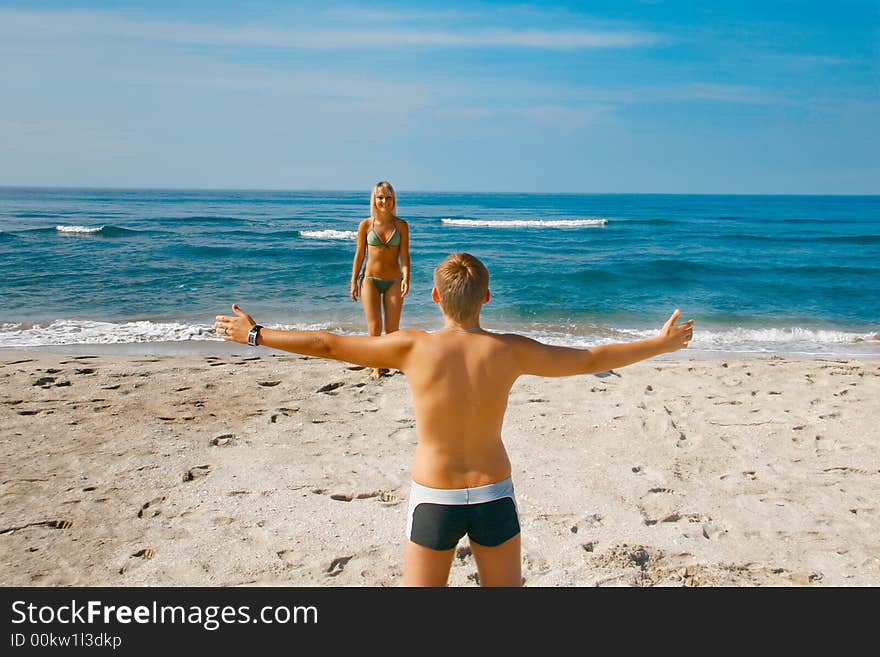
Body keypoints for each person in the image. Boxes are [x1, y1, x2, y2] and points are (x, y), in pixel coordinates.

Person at [214, 253, 694, 587]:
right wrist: (661, 343)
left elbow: (328, 344)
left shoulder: (412, 346)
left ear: (435, 298)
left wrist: (256, 334)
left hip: (434, 496)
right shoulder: (509, 350)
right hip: (493, 493)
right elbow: (591, 357)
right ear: (486, 298)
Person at [350, 181, 411, 379]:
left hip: (394, 280)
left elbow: (404, 255)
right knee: (374, 327)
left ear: (393, 200)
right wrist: (353, 282)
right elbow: (359, 255)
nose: (384, 201)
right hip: (370, 280)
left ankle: (395, 361)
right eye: (380, 197)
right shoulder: (366, 225)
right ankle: (376, 366)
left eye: (388, 197)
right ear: (374, 200)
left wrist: (406, 277)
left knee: (393, 329)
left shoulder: (401, 225)